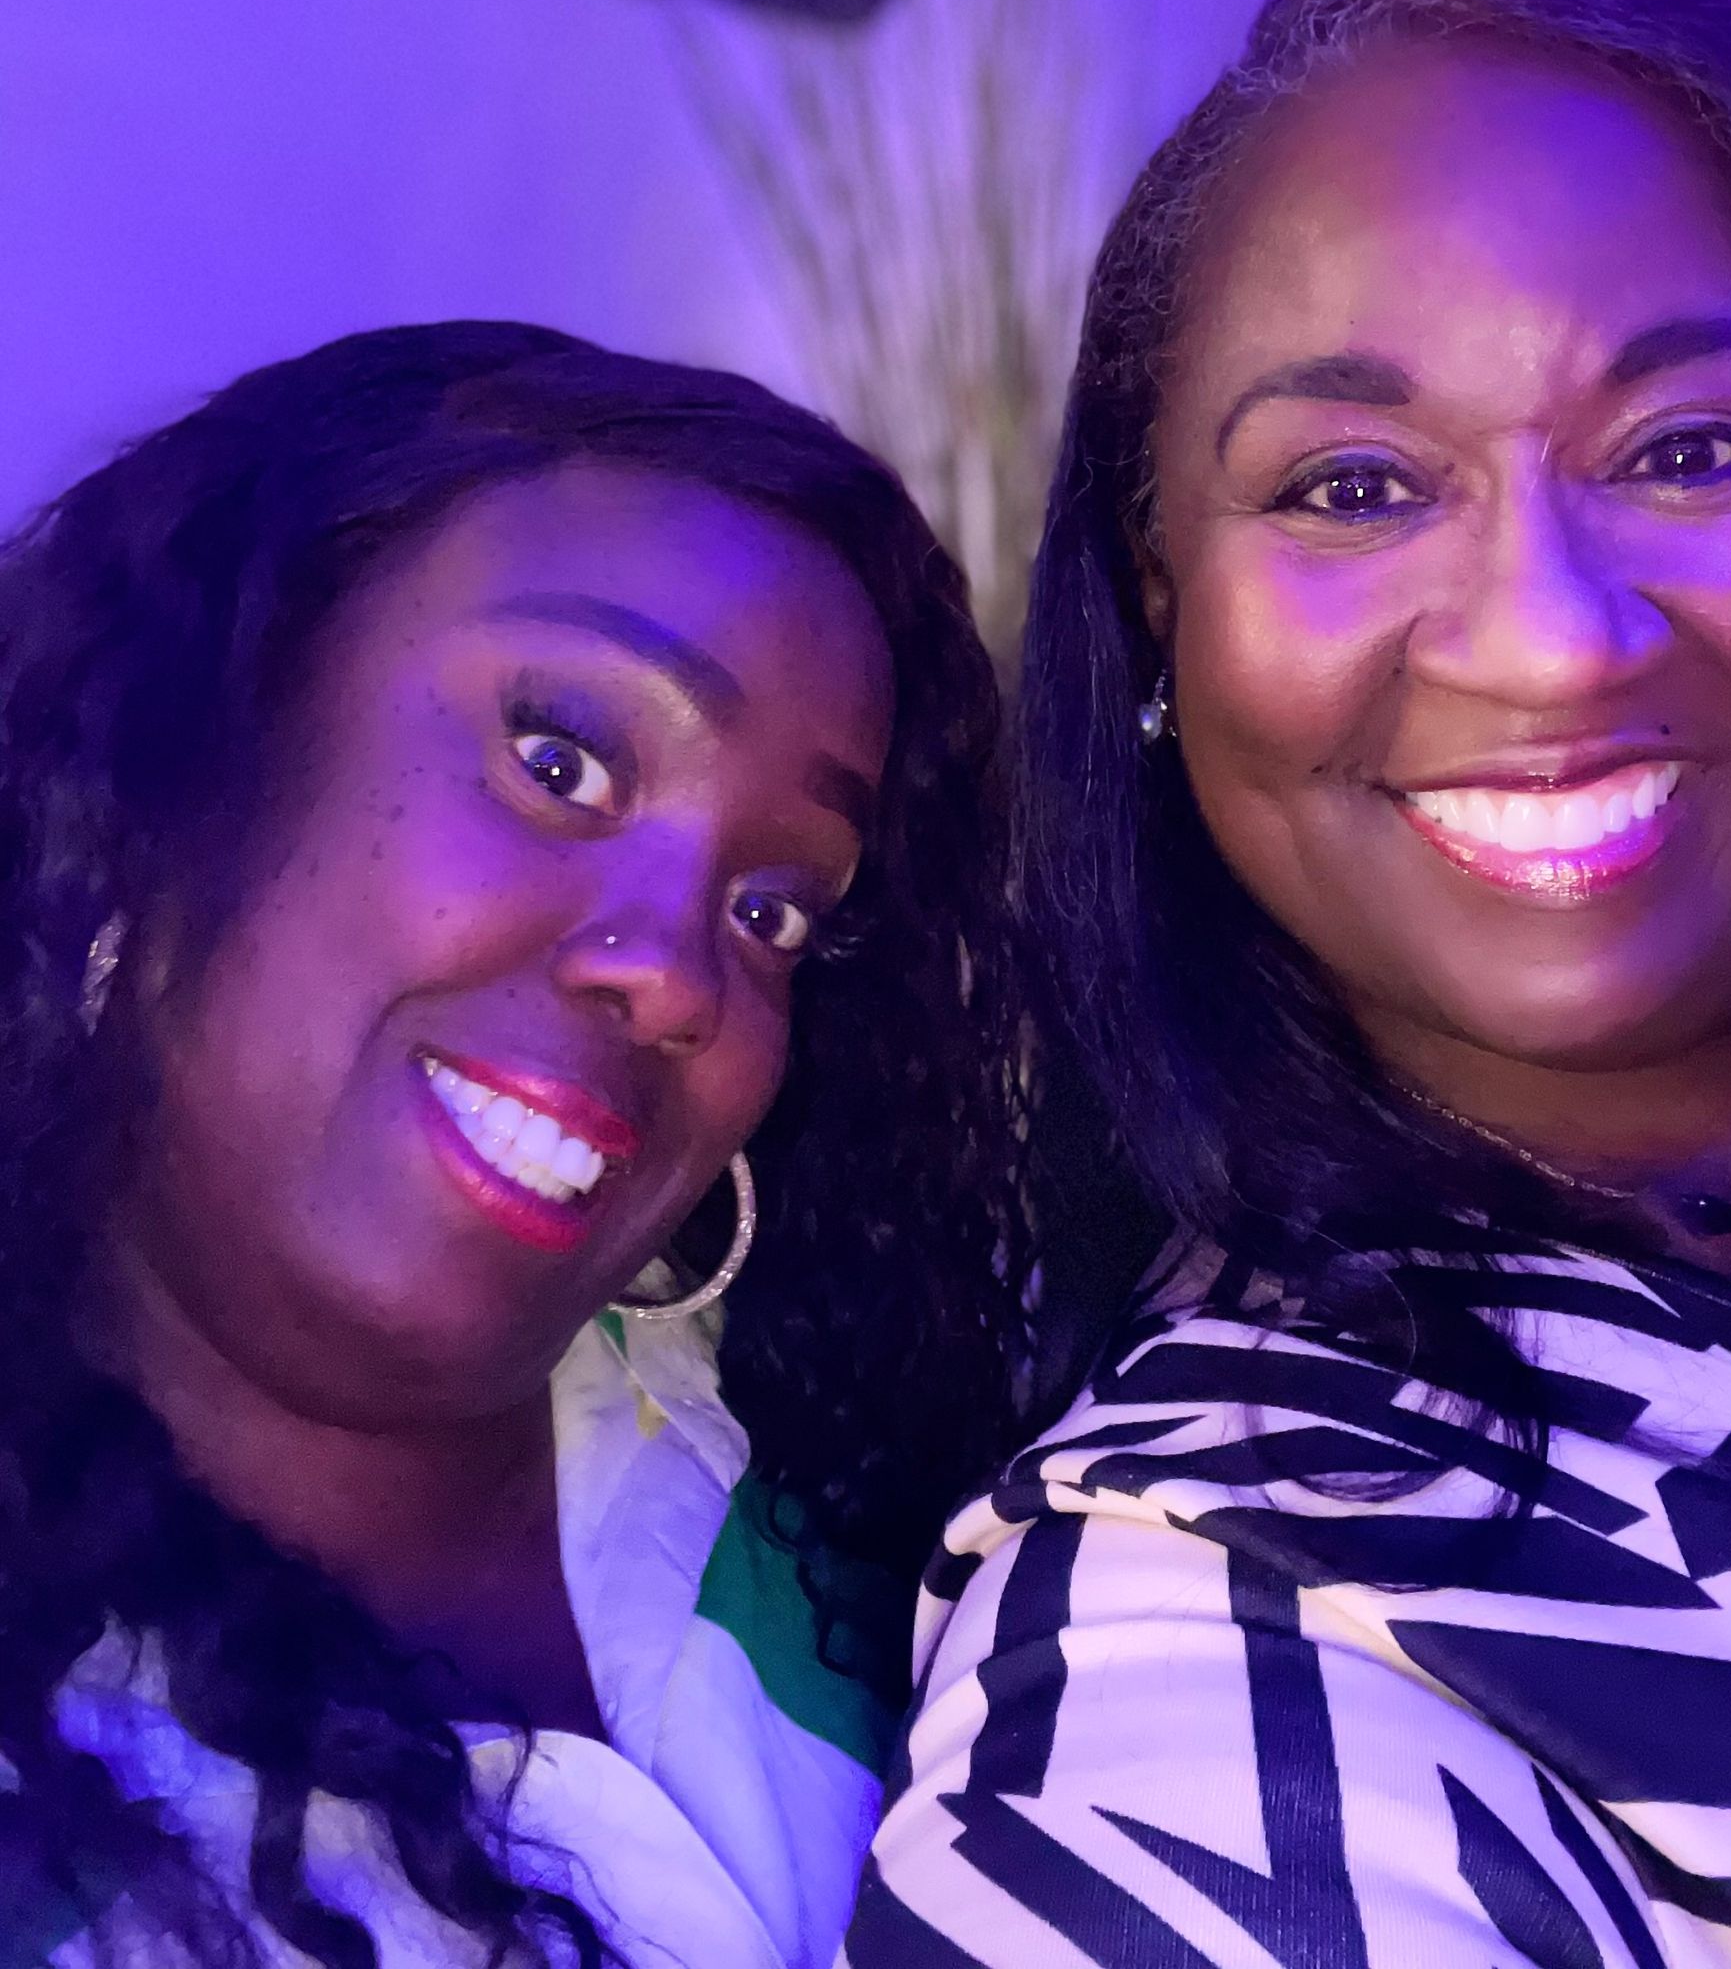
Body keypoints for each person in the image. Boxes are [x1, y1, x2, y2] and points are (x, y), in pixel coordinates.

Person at [846, 0, 1731, 1965]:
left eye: (1689, 447)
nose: (1550, 631)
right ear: (1161, 612)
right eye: (1351, 485)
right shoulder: (1212, 1644)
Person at [0, 321, 1027, 1969]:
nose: (678, 970)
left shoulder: (902, 1527)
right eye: (560, 764)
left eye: (774, 909)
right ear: (180, 761)